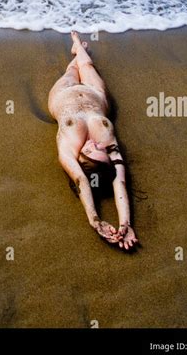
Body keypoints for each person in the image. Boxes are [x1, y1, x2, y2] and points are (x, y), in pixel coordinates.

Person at [48, 31, 138, 250]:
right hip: (95, 94)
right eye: (102, 150)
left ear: (82, 159)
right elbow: (120, 182)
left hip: (64, 93)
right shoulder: (109, 146)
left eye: (94, 150)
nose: (99, 145)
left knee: (72, 70)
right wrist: (125, 223)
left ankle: (76, 54)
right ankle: (78, 46)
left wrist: (95, 220)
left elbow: (81, 181)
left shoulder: (68, 149)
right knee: (87, 65)